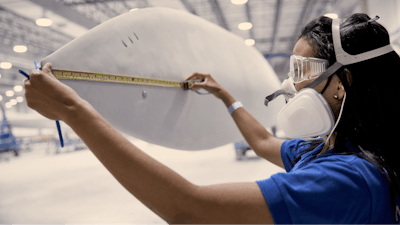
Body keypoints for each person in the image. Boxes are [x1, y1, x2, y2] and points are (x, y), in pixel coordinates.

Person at [24, 13, 400, 224]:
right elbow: (264, 144)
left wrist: (73, 111)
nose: (291, 84)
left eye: (304, 69)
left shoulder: (348, 179)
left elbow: (190, 209)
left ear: (341, 84)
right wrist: (226, 96)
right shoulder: (328, 150)